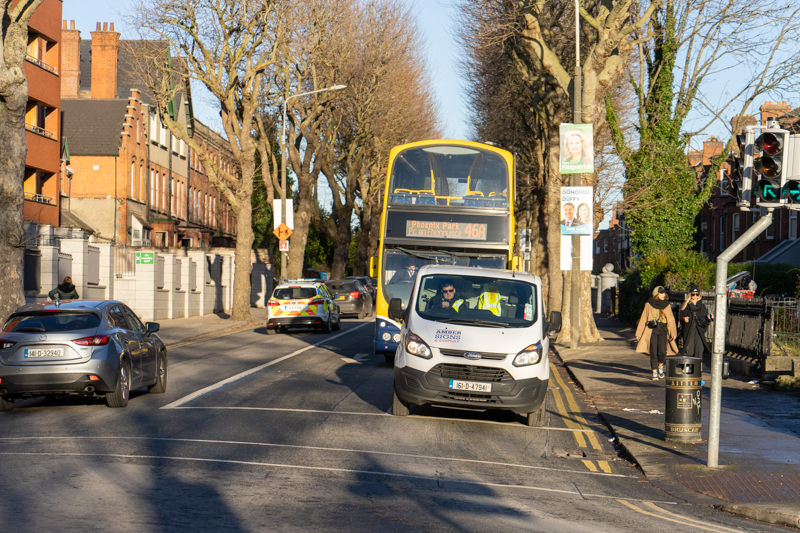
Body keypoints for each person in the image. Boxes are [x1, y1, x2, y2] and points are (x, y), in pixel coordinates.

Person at [635, 285, 678, 380]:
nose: (663, 294)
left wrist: (673, 332)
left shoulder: (666, 305)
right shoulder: (648, 304)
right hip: (652, 330)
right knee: (653, 352)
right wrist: (638, 333)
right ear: (656, 294)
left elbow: (671, 319)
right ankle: (654, 372)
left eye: (664, 292)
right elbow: (643, 319)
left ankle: (660, 366)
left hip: (663, 329)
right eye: (661, 292)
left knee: (662, 351)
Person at [679, 285, 712, 357]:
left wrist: (708, 318)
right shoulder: (686, 305)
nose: (695, 296)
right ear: (690, 295)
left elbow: (705, 319)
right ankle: (687, 366)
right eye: (693, 294)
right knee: (689, 350)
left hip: (699, 330)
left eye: (697, 294)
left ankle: (697, 367)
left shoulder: (702, 306)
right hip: (689, 329)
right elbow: (680, 316)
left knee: (699, 349)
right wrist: (684, 319)